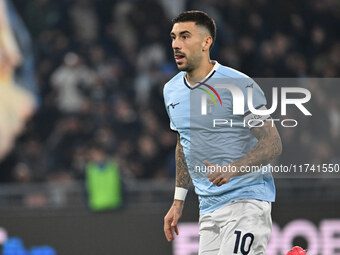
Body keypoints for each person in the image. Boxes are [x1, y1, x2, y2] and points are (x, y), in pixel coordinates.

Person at [163, 10, 282, 254]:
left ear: (207, 42)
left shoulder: (238, 84)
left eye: (185, 36)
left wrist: (233, 168)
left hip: (246, 202)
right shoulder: (171, 90)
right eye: (174, 37)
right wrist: (178, 200)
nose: (176, 44)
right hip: (208, 209)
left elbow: (272, 144)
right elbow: (183, 144)